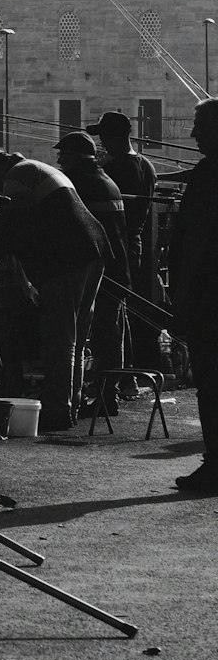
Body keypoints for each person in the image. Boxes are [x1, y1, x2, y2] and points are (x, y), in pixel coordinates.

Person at [0, 147, 108, 433]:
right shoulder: (38, 168)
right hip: (93, 248)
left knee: (59, 336)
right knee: (77, 335)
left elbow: (13, 225)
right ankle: (70, 403)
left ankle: (57, 409)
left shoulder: (17, 175)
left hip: (67, 257)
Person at [53, 131, 131, 415]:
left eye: (64, 156)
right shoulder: (106, 180)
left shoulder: (78, 184)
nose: (60, 162)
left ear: (75, 158)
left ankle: (101, 397)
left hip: (98, 267)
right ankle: (108, 394)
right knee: (110, 333)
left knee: (98, 334)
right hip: (117, 266)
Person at [167, 98, 218, 493]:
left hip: (208, 296)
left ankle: (214, 465)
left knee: (211, 381)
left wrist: (182, 296)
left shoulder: (208, 175)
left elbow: (197, 243)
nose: (193, 133)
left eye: (200, 124)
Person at [88, 111, 158, 366]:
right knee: (118, 309)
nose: (101, 143)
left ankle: (112, 376)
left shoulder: (111, 169)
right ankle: (125, 369)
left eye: (103, 137)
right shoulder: (147, 166)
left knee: (106, 316)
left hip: (113, 246)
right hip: (134, 245)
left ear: (110, 136)